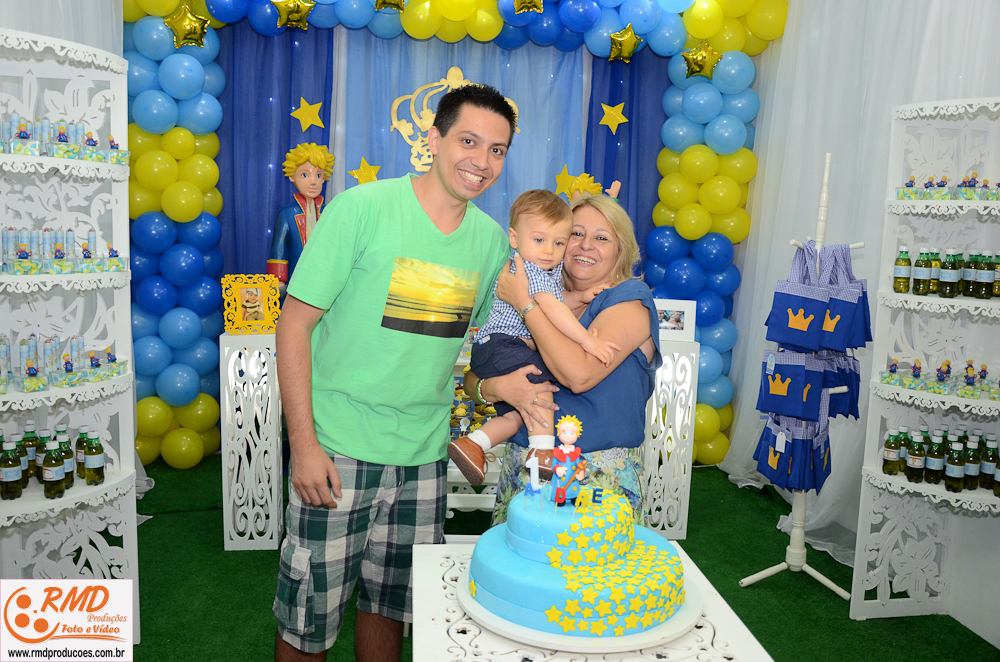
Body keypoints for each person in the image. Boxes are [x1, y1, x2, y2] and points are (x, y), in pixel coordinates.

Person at [272, 84, 514, 662]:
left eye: (497, 150)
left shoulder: (489, 242)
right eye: (469, 141)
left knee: (391, 609)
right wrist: (303, 443)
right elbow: (293, 326)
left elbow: (474, 346)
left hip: (423, 459)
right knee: (308, 618)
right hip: (336, 450)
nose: (481, 161)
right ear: (433, 139)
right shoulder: (362, 208)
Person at [462, 193, 661, 523]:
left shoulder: (629, 299)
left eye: (601, 238)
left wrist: (525, 304)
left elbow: (578, 376)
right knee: (520, 557)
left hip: (595, 478)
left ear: (621, 248)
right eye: (576, 234)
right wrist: (497, 388)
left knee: (592, 559)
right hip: (525, 468)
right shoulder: (540, 287)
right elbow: (474, 375)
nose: (585, 245)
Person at [447, 190, 619, 485]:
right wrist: (588, 341)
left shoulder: (539, 270)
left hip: (494, 348)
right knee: (541, 389)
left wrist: (579, 297)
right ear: (514, 239)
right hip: (504, 344)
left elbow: (555, 299)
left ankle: (474, 443)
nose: (549, 250)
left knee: (523, 410)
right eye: (539, 240)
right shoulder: (527, 269)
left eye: (558, 243)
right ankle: (542, 454)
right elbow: (551, 308)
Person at [267, 143, 336, 294]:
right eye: (305, 175)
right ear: (292, 177)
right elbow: (279, 247)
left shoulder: (330, 212)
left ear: (324, 178)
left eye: (318, 175)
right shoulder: (287, 213)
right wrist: (278, 278)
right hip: (296, 280)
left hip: (326, 281)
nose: (313, 181)